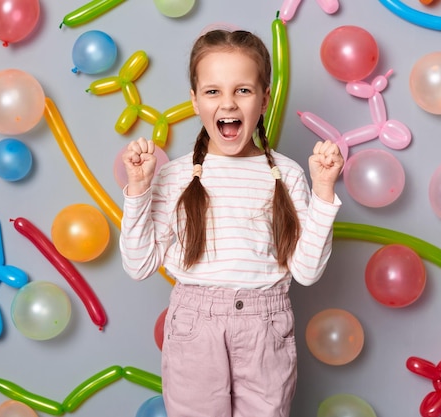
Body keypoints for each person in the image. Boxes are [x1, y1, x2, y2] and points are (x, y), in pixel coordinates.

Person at [120, 28, 343, 417]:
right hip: (195, 326)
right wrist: (139, 189)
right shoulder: (174, 175)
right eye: (213, 91)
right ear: (194, 101)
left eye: (243, 90)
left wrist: (323, 191)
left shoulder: (286, 174)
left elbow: (306, 272)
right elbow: (139, 266)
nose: (228, 103)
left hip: (266, 326)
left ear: (264, 99)